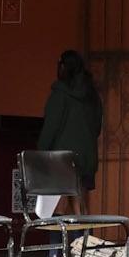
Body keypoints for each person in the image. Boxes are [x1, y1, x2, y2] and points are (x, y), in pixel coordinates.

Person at [35, 50, 103, 192]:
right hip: (86, 159)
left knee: (59, 204)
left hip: (61, 161)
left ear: (63, 67)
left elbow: (50, 128)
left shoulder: (60, 95)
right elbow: (97, 127)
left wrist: (39, 155)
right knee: (78, 203)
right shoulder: (92, 95)